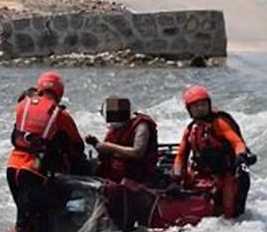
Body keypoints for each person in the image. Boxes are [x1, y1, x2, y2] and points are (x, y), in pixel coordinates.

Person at [6, 71, 87, 232]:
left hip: (12, 167)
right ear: (59, 92)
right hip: (34, 171)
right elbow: (77, 145)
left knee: (23, 216)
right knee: (38, 220)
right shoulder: (60, 115)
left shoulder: (23, 105)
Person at [171, 85, 255, 219]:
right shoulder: (191, 130)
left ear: (208, 104)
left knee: (229, 212)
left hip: (226, 173)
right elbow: (181, 156)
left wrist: (241, 156)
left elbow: (237, 142)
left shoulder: (219, 123)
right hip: (204, 175)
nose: (200, 108)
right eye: (195, 106)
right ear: (189, 110)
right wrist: (175, 179)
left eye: (203, 104)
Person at [85, 96, 159, 185]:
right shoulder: (116, 127)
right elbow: (108, 152)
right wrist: (96, 144)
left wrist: (110, 147)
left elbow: (138, 152)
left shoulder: (141, 125)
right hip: (113, 171)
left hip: (137, 174)